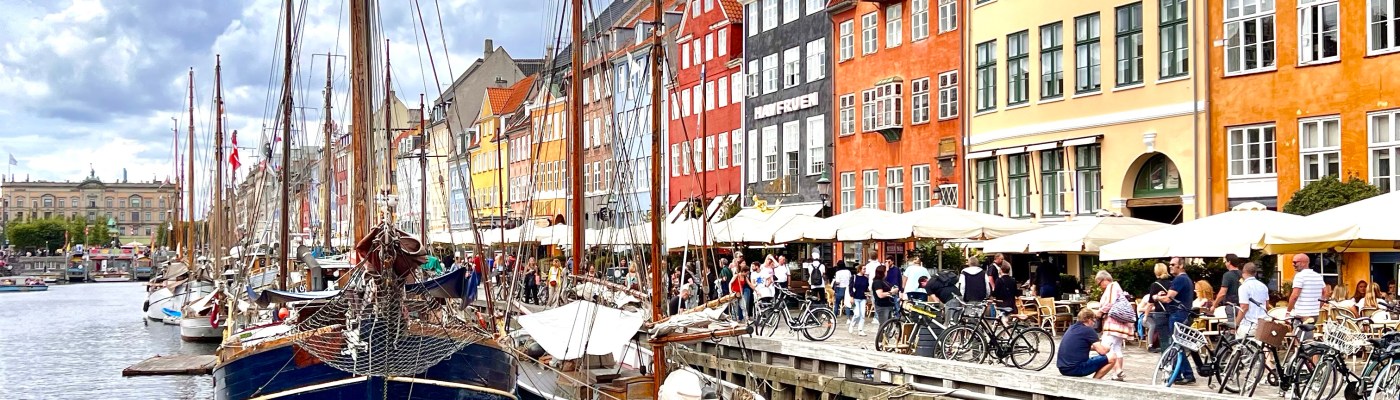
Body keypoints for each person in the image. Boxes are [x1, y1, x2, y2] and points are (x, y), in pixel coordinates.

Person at [1154, 257, 1196, 384]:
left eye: (1173, 264)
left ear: (1181, 265)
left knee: (1176, 345)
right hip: (1183, 314)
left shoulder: (1180, 279)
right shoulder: (1187, 279)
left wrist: (1156, 297)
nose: (1170, 266)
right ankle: (1180, 374)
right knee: (1178, 345)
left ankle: (1186, 374)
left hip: (1177, 314)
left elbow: (1168, 299)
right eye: (1170, 264)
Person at [1093, 270, 1132, 381]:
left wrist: (1100, 312)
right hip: (1120, 324)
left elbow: (1110, 302)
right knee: (1116, 348)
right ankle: (1117, 373)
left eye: (1099, 283)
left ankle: (1117, 370)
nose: (1100, 287)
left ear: (1105, 279)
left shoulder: (1112, 286)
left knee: (1105, 347)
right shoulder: (1117, 287)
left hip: (1113, 323)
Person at [1058, 308, 1117, 379]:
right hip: (1076, 369)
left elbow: (1079, 346)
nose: (1094, 324)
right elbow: (1102, 352)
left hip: (1063, 369)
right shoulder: (1088, 330)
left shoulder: (1071, 328)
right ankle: (1094, 382)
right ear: (1089, 319)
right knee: (1112, 357)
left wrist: (1095, 348)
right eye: (1094, 321)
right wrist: (1107, 348)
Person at [1287, 253, 1329, 340]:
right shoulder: (1318, 276)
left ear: (1303, 263)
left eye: (1295, 262)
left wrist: (1288, 311)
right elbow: (1325, 293)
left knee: (1300, 340)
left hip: (1302, 314)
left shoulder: (1300, 276)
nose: (1293, 264)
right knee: (1304, 339)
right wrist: (1317, 306)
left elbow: (1295, 295)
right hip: (1314, 314)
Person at [1143, 262, 1174, 352]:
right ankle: (1173, 352)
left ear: (1156, 272)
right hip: (1172, 311)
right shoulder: (1172, 283)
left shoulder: (1155, 285)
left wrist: (1145, 316)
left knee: (1164, 337)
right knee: (1172, 334)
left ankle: (1165, 355)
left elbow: (1150, 303)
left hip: (1160, 313)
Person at [1237, 263, 1269, 340]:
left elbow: (1244, 307)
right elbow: (1267, 305)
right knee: (1258, 346)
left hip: (1249, 324)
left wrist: (1236, 323)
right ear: (1255, 273)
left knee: (1239, 345)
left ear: (1243, 272)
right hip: (1262, 323)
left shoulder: (1244, 287)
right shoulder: (1263, 286)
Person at [1212, 254, 1244, 320]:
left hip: (1231, 306)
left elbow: (1222, 293)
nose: (1225, 264)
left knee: (1232, 325)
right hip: (1243, 305)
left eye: (1225, 262)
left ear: (1229, 262)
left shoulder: (1227, 275)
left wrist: (1214, 305)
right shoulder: (1243, 274)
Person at [872, 265, 898, 332]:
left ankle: (885, 336)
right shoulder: (877, 282)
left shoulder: (884, 281)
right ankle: (880, 337)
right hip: (882, 306)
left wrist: (894, 289)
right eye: (886, 271)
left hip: (889, 304)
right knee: (883, 324)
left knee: (889, 324)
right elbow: (880, 295)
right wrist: (891, 292)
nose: (887, 272)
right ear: (882, 272)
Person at [850, 264, 871, 336]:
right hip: (855, 297)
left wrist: (868, 293)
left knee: (862, 315)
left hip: (863, 298)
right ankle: (852, 324)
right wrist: (851, 296)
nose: (865, 270)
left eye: (865, 269)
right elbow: (851, 287)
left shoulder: (866, 278)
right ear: (859, 269)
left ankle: (860, 329)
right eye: (864, 269)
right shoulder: (854, 277)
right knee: (857, 314)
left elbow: (866, 288)